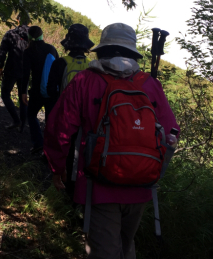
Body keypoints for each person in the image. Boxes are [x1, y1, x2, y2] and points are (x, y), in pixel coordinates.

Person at [43, 23, 180, 259]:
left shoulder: (86, 81)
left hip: (99, 185)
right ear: (132, 53)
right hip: (141, 185)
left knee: (103, 250)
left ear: (101, 50)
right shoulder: (150, 85)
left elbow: (60, 128)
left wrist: (57, 167)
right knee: (126, 246)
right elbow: (171, 134)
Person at [21, 26, 59, 153]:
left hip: (37, 91)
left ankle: (38, 143)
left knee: (31, 115)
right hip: (52, 91)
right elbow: (58, 68)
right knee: (50, 120)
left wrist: (23, 92)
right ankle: (48, 148)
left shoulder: (28, 51)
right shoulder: (51, 49)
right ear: (42, 35)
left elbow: (25, 74)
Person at [46, 24, 94, 105]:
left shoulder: (59, 62)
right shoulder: (92, 65)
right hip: (85, 111)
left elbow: (51, 91)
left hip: (65, 110)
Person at [0, 14, 30, 131]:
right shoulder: (32, 36)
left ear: (17, 20)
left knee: (5, 94)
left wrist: (0, 68)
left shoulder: (10, 34)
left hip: (11, 69)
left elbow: (2, 53)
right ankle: (23, 125)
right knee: (23, 97)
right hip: (26, 71)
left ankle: (16, 120)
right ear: (29, 21)